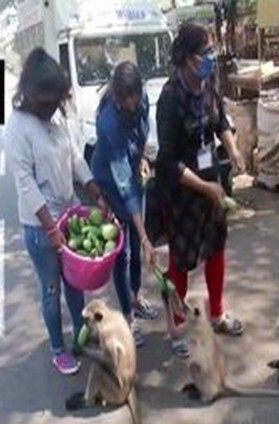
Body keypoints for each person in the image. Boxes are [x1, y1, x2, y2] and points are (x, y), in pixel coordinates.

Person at [4, 48, 105, 375]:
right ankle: (58, 349)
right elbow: (25, 183)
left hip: (70, 214)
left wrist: (93, 190)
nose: (53, 107)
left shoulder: (58, 116)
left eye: (56, 100)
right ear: (31, 96)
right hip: (40, 227)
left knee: (77, 284)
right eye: (47, 101)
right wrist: (51, 229)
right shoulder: (17, 127)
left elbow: (75, 156)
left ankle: (81, 336)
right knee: (52, 289)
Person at [155, 23, 246, 358]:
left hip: (211, 184)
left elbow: (220, 121)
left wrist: (233, 150)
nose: (211, 57)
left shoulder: (208, 84)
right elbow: (167, 161)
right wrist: (205, 187)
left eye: (211, 50)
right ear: (188, 57)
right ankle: (177, 324)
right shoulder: (169, 98)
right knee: (181, 260)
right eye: (206, 52)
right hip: (182, 191)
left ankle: (217, 313)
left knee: (216, 247)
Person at [90, 61, 159, 348]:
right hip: (112, 184)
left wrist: (144, 157)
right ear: (117, 97)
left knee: (136, 241)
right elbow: (124, 188)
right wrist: (146, 238)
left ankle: (135, 295)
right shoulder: (108, 122)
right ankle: (129, 315)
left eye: (135, 97)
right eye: (126, 100)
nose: (132, 103)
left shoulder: (141, 101)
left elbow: (143, 133)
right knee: (125, 252)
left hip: (132, 173)